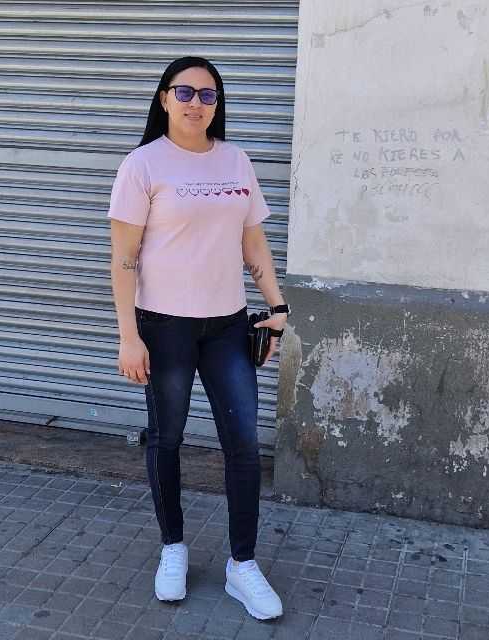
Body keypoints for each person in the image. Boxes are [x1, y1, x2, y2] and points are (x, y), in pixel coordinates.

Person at [107, 56, 290, 621]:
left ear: (218, 105)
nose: (196, 103)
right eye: (184, 92)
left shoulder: (236, 160)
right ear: (164, 98)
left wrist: (278, 306)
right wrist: (128, 336)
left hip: (227, 327)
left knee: (243, 445)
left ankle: (242, 565)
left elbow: (253, 244)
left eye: (208, 95)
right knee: (167, 439)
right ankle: (173, 548)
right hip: (164, 328)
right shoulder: (142, 165)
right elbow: (123, 259)